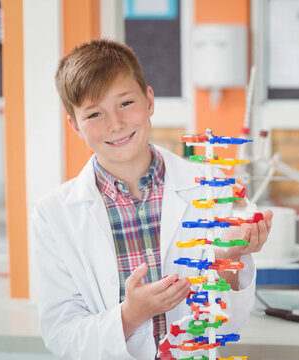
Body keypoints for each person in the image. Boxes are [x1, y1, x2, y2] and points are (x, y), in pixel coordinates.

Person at [31, 39, 273, 360]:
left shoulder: (211, 188)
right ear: (74, 124)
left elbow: (228, 321)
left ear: (149, 100)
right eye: (94, 114)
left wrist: (226, 257)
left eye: (126, 103)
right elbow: (63, 335)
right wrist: (132, 314)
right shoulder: (53, 215)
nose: (115, 124)